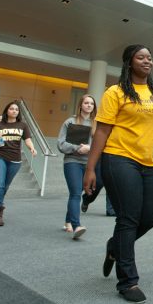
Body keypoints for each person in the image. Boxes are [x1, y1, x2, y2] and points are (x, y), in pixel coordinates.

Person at [83, 44, 153, 304]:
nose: (147, 61)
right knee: (128, 218)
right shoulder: (115, 92)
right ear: (129, 62)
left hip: (150, 163)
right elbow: (102, 131)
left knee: (149, 218)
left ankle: (114, 246)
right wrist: (91, 168)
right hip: (119, 158)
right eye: (141, 57)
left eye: (150, 57)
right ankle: (128, 281)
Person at [0, 101, 37, 227]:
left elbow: (28, 139)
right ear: (7, 110)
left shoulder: (22, 125)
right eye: (11, 109)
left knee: (4, 186)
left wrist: (32, 148)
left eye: (16, 109)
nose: (14, 111)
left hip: (14, 159)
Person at [57, 94, 98, 239]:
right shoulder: (70, 121)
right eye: (86, 103)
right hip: (72, 161)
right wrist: (76, 148)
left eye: (91, 104)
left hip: (89, 164)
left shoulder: (96, 124)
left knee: (77, 192)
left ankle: (68, 220)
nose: (89, 105)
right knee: (75, 193)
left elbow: (101, 144)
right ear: (80, 105)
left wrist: (89, 148)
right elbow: (60, 143)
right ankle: (76, 225)